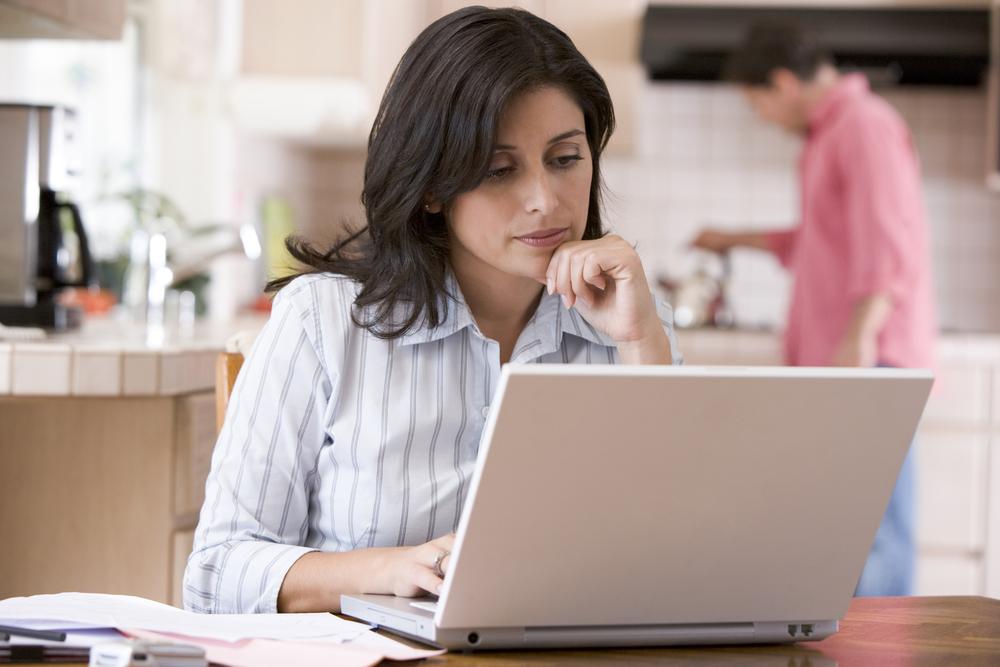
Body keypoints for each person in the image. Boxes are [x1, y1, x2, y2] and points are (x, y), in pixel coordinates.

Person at [184, 6, 681, 615]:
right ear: (431, 187)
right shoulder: (322, 322)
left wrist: (640, 342)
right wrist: (388, 570)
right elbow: (215, 573)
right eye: (500, 170)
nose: (544, 201)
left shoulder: (630, 321)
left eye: (565, 158)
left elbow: (681, 556)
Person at [693, 21, 936, 596]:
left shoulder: (864, 128)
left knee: (878, 532)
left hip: (869, 361)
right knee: (848, 531)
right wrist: (734, 238)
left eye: (758, 103)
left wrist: (859, 341)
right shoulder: (832, 135)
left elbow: (887, 243)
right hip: (850, 359)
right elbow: (823, 241)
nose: (762, 117)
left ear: (781, 83)